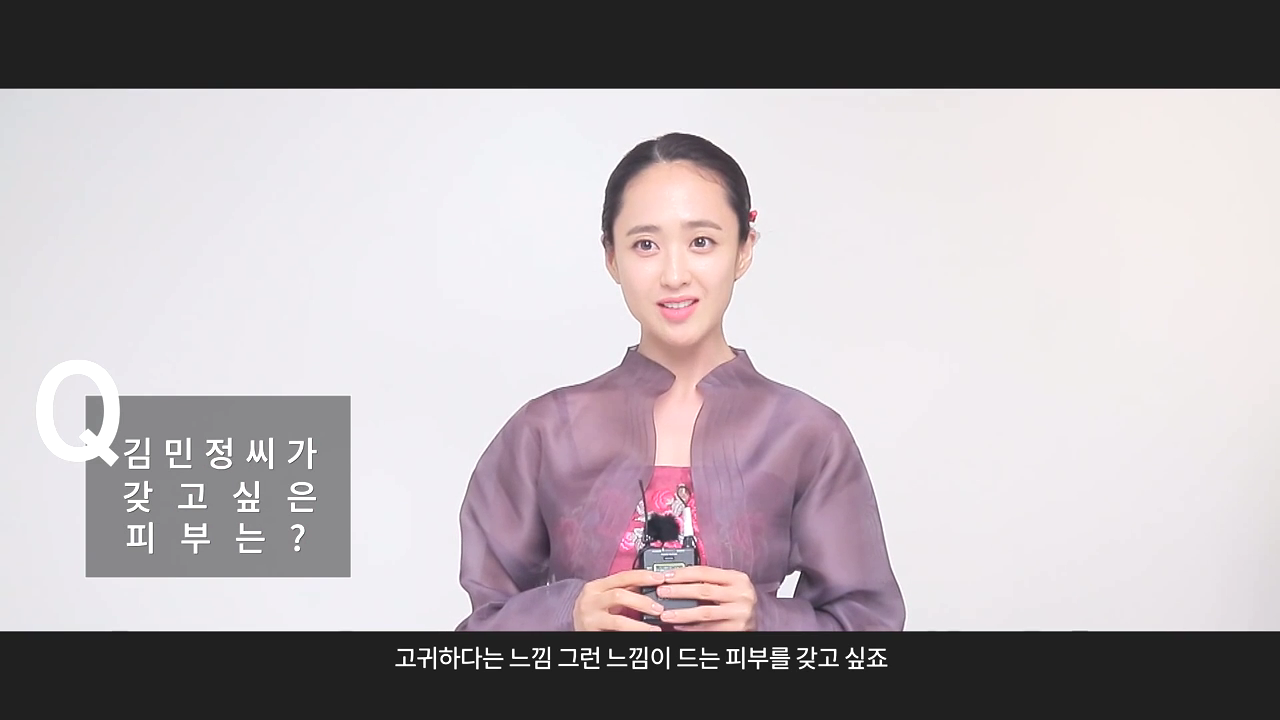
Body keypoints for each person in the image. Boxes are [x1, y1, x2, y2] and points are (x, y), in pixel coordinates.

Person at [455, 132, 905, 632]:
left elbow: (868, 625)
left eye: (701, 242)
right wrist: (568, 615)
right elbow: (480, 631)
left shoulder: (806, 433)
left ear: (744, 249)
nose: (674, 275)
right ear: (611, 257)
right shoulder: (546, 431)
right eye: (645, 244)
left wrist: (765, 621)